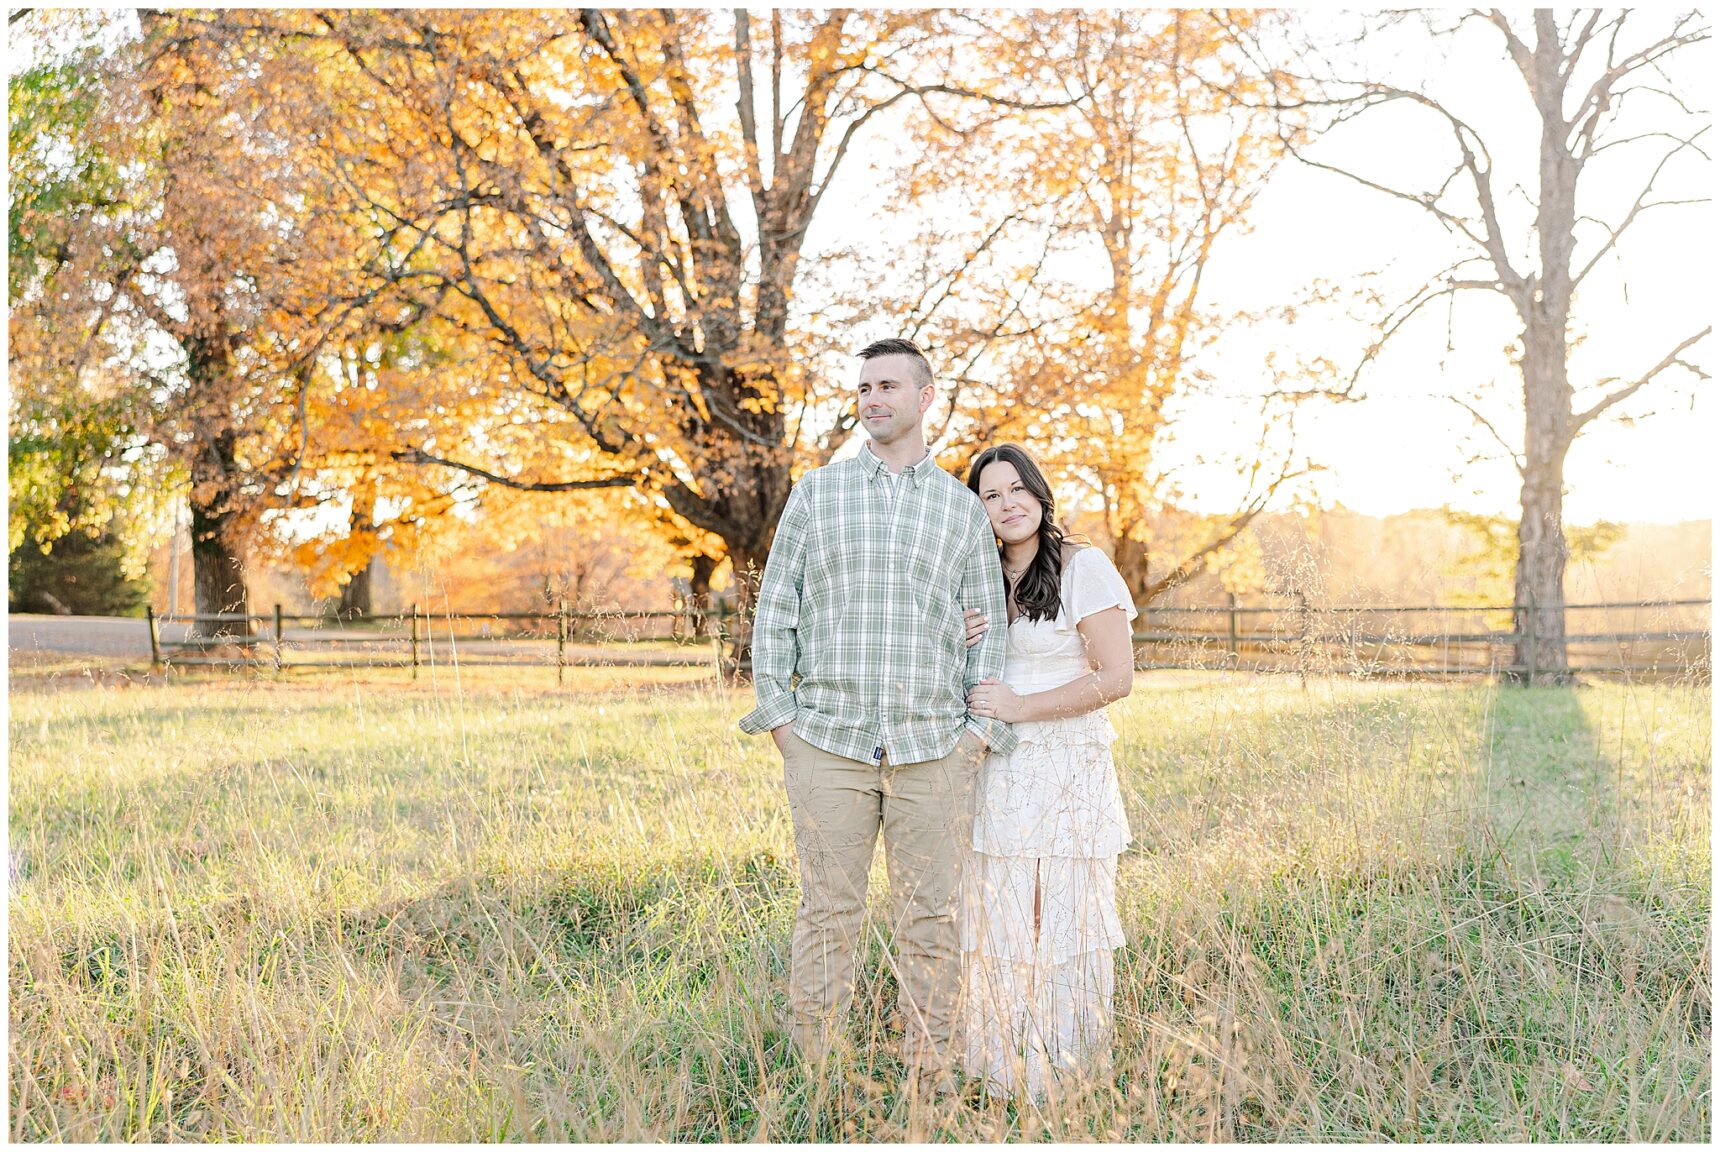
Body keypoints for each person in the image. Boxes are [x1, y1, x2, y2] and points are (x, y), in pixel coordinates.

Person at [738, 338, 1017, 1094]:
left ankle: (930, 1076)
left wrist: (973, 739)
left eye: (888, 385)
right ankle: (821, 1078)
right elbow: (775, 614)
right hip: (828, 740)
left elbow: (987, 628)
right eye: (863, 387)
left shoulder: (962, 510)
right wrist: (783, 726)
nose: (871, 399)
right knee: (829, 912)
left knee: (931, 919)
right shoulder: (816, 493)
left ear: (927, 398)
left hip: (933, 749)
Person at [957, 442, 1137, 1100]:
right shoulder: (977, 577)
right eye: (990, 495)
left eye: (1015, 490)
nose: (1006, 505)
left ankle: (1062, 1074)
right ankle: (1005, 1070)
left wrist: (1022, 707)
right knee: (1001, 912)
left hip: (1065, 765)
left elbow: (1116, 678)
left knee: (1056, 914)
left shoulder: (1082, 567)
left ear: (1039, 493)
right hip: (997, 770)